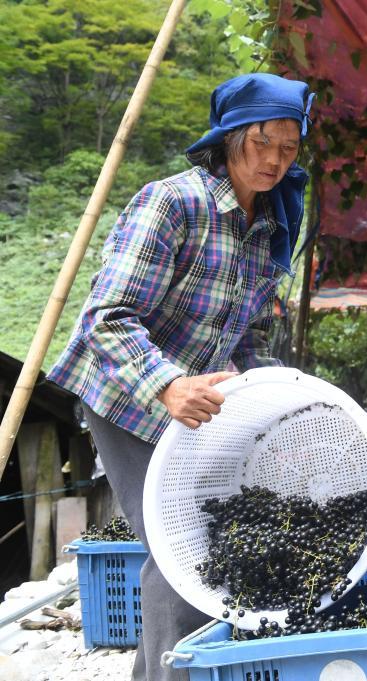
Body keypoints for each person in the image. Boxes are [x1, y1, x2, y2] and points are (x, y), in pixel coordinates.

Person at [48, 73, 314, 681]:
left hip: (198, 405)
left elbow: (246, 338)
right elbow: (105, 319)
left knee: (206, 543)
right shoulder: (173, 202)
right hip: (130, 394)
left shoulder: (269, 225)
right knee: (180, 551)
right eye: (262, 142)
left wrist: (287, 405)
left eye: (289, 147)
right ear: (227, 139)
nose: (275, 160)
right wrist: (167, 384)